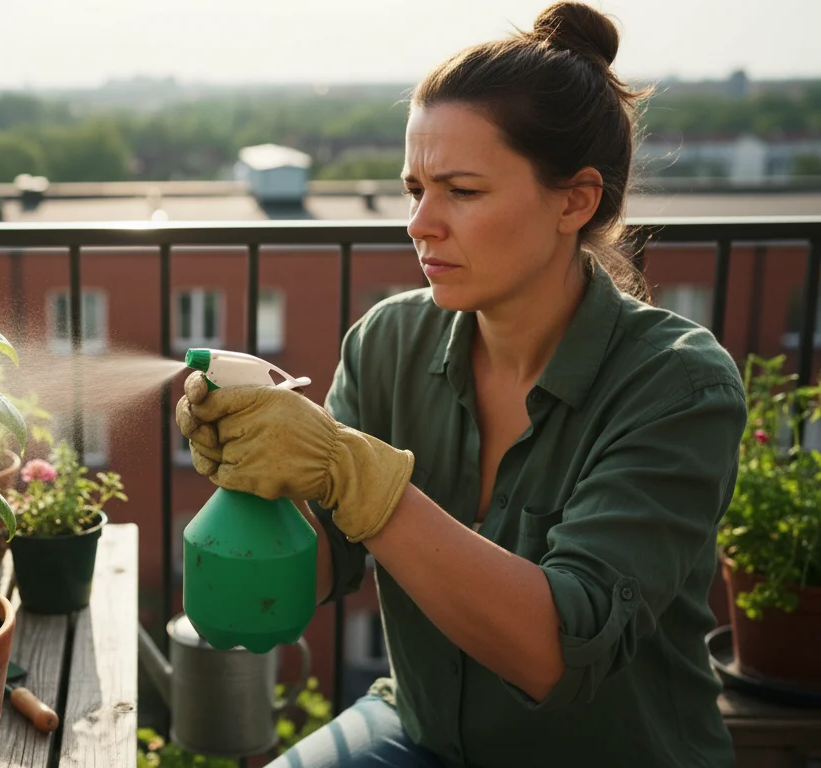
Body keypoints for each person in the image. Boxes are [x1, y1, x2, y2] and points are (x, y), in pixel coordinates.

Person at [176, 3, 747, 767]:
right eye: (415, 187)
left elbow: (555, 652)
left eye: (462, 191)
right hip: (420, 728)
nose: (419, 222)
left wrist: (354, 472)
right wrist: (256, 478)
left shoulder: (677, 385)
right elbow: (325, 563)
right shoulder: (389, 340)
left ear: (575, 200)